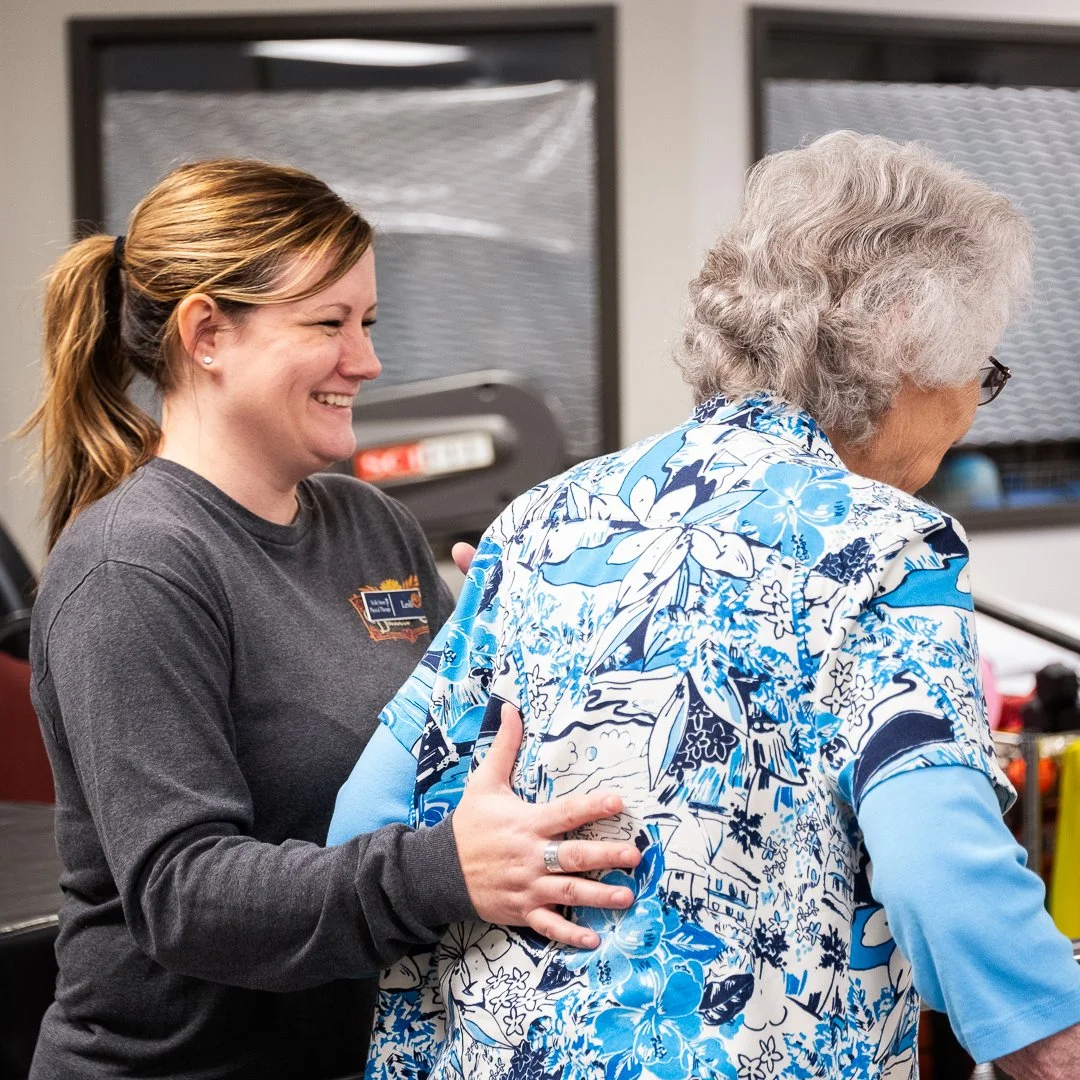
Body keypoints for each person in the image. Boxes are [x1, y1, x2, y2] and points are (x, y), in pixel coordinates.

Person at [331, 132, 1080, 1080]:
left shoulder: (541, 520)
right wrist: (1053, 1040)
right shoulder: (886, 543)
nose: (975, 406)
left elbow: (365, 821)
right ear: (910, 355)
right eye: (984, 372)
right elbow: (940, 865)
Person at [20, 158, 641, 1080]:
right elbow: (184, 896)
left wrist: (516, 636)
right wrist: (444, 874)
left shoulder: (370, 526)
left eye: (369, 322)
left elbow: (441, 769)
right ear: (207, 334)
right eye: (329, 324)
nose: (368, 360)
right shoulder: (134, 567)